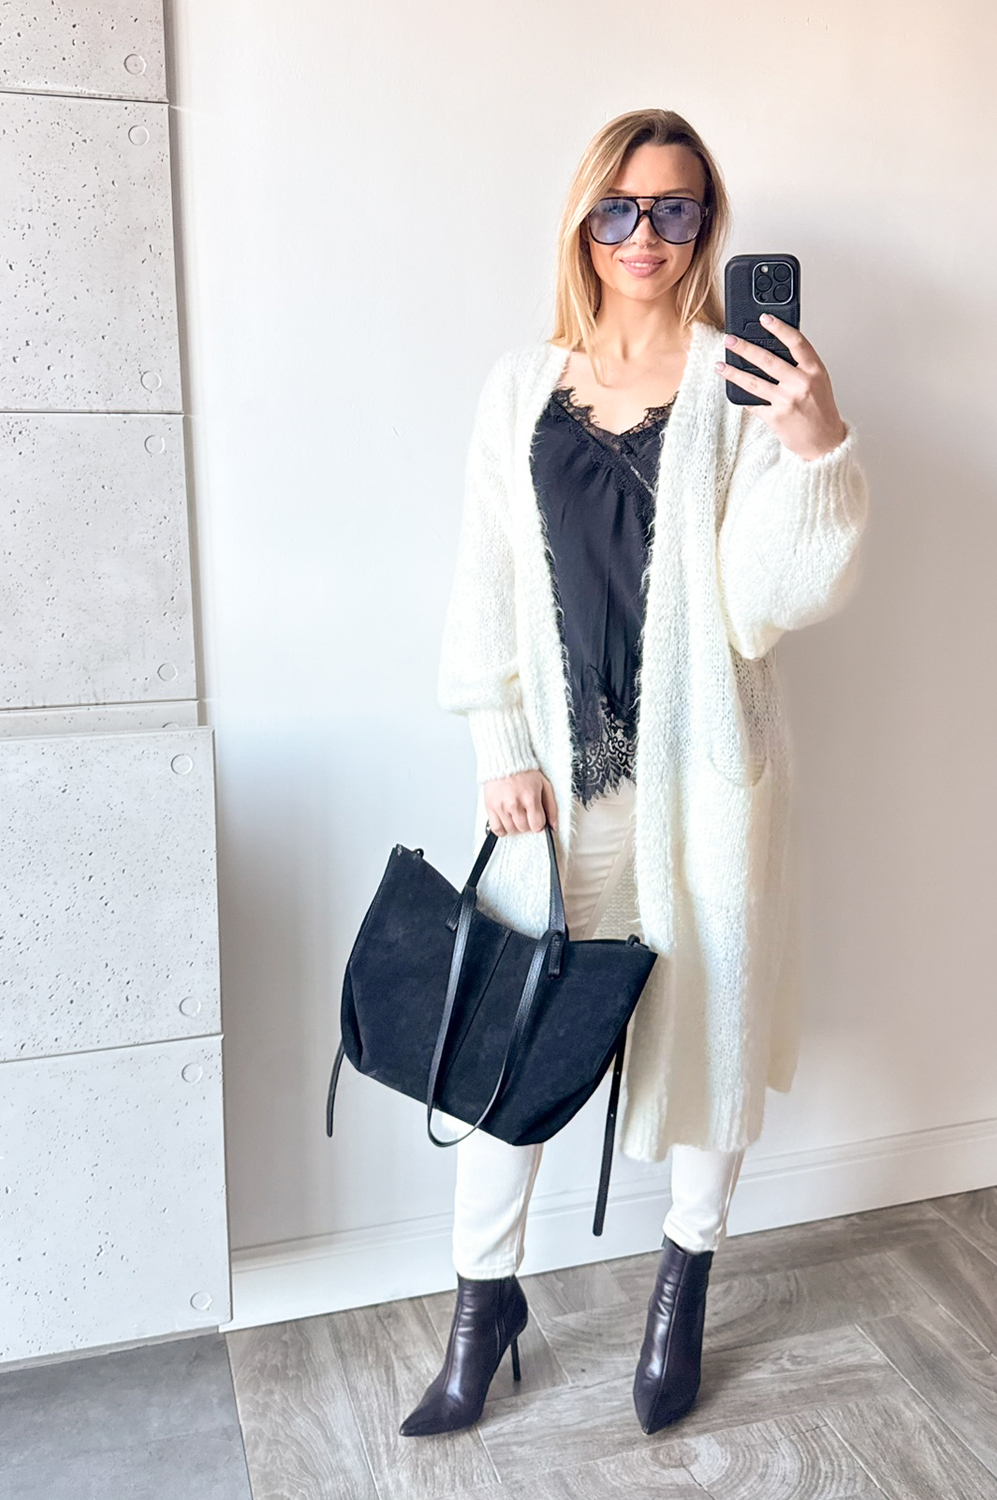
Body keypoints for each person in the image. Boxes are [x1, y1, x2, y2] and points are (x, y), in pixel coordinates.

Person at [401, 107, 869, 1438]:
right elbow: (483, 579)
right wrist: (497, 743)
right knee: (509, 1047)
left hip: (706, 775)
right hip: (559, 785)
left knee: (710, 1026)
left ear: (705, 224)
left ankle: (683, 1285)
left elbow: (762, 604)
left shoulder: (738, 379)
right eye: (618, 207)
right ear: (582, 222)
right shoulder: (518, 386)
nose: (644, 235)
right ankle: (482, 1310)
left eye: (673, 208)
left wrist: (815, 447)